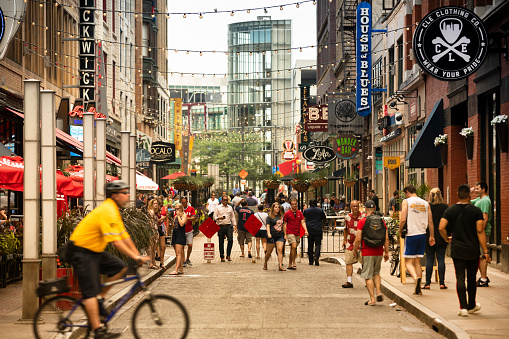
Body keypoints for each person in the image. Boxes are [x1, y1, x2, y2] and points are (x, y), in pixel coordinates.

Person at [69, 181, 149, 339]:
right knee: (90, 292)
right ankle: (97, 330)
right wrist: (135, 257)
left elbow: (124, 235)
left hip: (95, 250)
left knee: (120, 268)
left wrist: (137, 254)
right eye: (125, 192)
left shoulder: (114, 210)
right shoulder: (107, 210)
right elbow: (116, 242)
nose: (128, 195)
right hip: (81, 251)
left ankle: (99, 298)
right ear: (115, 195)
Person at [439, 184, 491, 316]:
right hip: (472, 249)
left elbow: (441, 227)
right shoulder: (476, 211)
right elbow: (480, 231)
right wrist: (485, 251)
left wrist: (446, 239)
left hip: (457, 249)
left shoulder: (450, 210)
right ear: (469, 195)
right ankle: (472, 305)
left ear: (457, 194)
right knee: (472, 278)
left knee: (460, 277)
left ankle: (463, 307)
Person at [399, 185, 435, 295]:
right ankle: (419, 285)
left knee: (408, 262)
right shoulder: (425, 203)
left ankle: (415, 278)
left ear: (407, 192)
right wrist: (431, 236)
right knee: (418, 261)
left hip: (411, 234)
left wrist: (400, 231)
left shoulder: (407, 202)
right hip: (422, 234)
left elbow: (403, 218)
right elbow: (430, 222)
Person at [353, 200, 389, 306]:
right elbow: (386, 238)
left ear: (365, 208)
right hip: (378, 251)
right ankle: (378, 291)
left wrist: (355, 249)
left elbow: (358, 238)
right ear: (375, 208)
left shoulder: (362, 221)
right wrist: (386, 252)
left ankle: (372, 299)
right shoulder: (381, 221)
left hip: (367, 250)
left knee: (368, 275)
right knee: (376, 272)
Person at [423, 188, 449, 290]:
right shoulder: (445, 207)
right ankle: (442, 283)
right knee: (441, 259)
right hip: (442, 236)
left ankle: (427, 283)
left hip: (429, 236)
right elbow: (448, 222)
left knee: (429, 259)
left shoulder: (427, 207)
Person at [471, 182, 492, 287]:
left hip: (482, 232)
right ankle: (483, 277)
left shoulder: (484, 201)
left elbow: (485, 218)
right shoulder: (479, 200)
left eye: (477, 189)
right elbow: (466, 202)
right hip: (479, 232)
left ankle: (483, 279)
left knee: (483, 254)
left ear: (483, 189)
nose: (475, 190)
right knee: (480, 255)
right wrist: (469, 192)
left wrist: (481, 232)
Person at [342, 200, 366, 288]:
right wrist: (344, 240)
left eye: (356, 206)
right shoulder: (347, 217)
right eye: (353, 206)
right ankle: (349, 281)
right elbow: (345, 229)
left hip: (361, 243)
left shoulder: (364, 216)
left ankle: (368, 281)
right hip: (350, 243)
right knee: (348, 262)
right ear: (351, 207)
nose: (355, 208)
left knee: (364, 263)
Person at [283, 199, 308, 270]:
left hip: (297, 232)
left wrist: (306, 230)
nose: (294, 205)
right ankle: (294, 262)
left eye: (295, 204)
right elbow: (284, 224)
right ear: (290, 205)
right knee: (293, 246)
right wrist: (285, 234)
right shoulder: (287, 213)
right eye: (293, 204)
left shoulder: (300, 213)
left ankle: (289, 264)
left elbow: (303, 222)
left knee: (293, 248)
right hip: (290, 232)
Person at [303, 199, 326, 266]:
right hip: (318, 229)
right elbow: (324, 219)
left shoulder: (306, 211)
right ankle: (316, 256)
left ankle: (310, 260)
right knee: (318, 244)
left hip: (309, 229)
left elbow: (304, 218)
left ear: (309, 203)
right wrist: (322, 226)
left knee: (310, 245)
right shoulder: (320, 210)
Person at [264, 202, 286, 271]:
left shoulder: (281, 216)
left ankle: (280, 265)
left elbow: (284, 225)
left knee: (280, 250)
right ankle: (265, 263)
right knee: (269, 252)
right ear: (273, 208)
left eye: (278, 207)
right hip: (272, 236)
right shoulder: (269, 217)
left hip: (280, 236)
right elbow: (268, 225)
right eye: (276, 207)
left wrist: (285, 234)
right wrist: (269, 233)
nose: (277, 209)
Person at [214, 196, 236, 261]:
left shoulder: (230, 208)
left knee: (230, 240)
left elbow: (233, 217)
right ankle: (222, 256)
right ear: (222, 201)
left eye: (226, 200)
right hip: (220, 226)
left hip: (228, 226)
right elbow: (214, 217)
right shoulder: (218, 208)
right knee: (221, 241)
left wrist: (235, 226)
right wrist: (219, 218)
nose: (225, 201)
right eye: (224, 200)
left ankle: (228, 255)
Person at [148, 199, 167, 269]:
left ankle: (153, 262)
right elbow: (151, 222)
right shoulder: (151, 211)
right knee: (151, 247)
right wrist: (154, 231)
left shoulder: (155, 211)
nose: (156, 205)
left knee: (154, 248)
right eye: (154, 203)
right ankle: (151, 263)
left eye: (156, 203)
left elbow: (156, 222)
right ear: (151, 204)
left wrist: (162, 220)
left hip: (156, 230)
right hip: (152, 230)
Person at [169, 203, 187, 275]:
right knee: (178, 252)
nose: (176, 210)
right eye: (175, 209)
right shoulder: (176, 216)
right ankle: (181, 269)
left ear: (181, 209)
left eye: (177, 209)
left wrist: (179, 216)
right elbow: (174, 225)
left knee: (178, 253)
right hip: (175, 234)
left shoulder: (184, 215)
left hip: (180, 234)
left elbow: (182, 224)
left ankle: (176, 269)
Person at [180, 197, 195, 267]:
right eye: (182, 203)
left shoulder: (191, 209)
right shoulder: (179, 209)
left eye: (184, 203)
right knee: (182, 246)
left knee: (190, 245)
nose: (183, 204)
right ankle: (183, 261)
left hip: (189, 230)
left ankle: (187, 258)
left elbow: (193, 218)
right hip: (182, 230)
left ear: (187, 202)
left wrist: (186, 218)